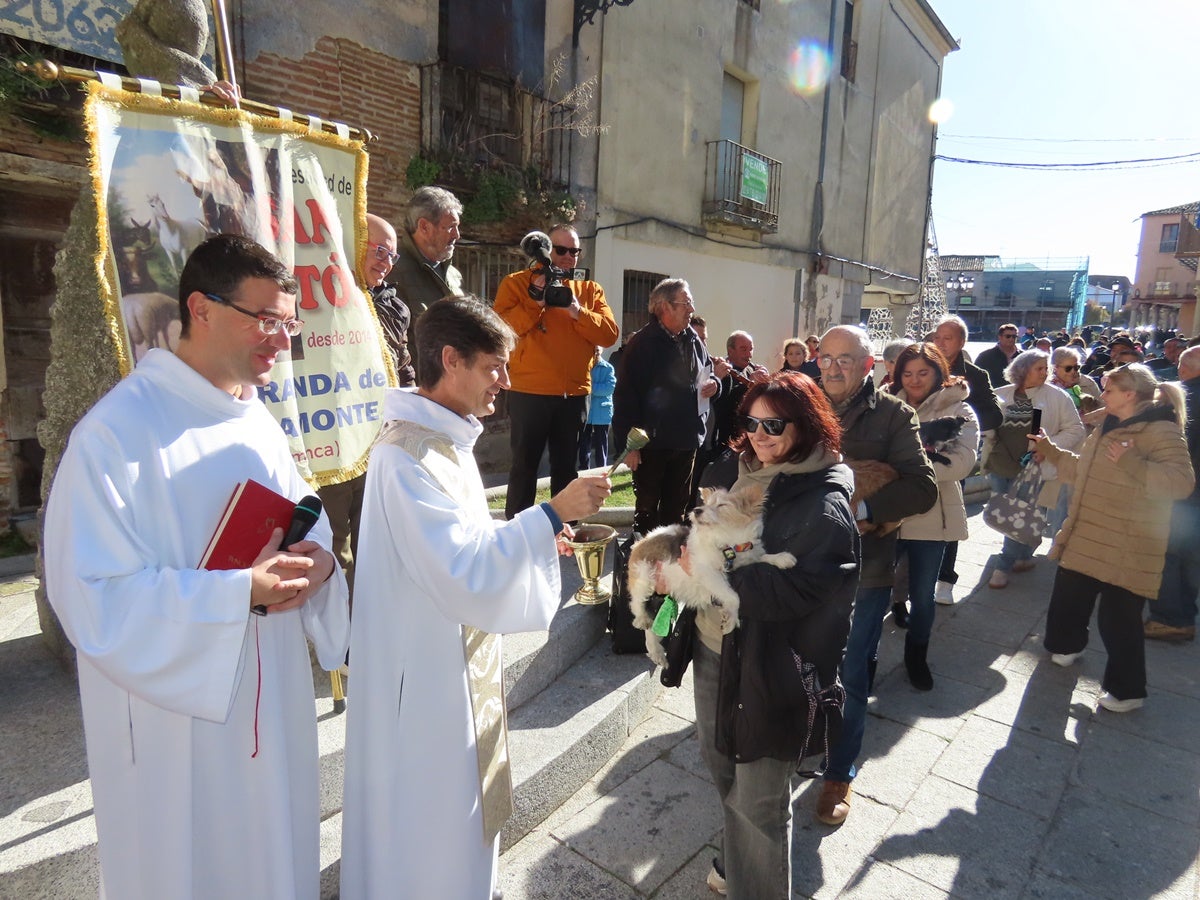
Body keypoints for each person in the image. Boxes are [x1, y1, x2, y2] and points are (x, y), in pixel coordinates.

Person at [43, 235, 350, 899]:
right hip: (176, 733)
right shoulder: (117, 434)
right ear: (201, 310)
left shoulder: (255, 416)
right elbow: (91, 595)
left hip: (271, 716)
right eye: (265, 321)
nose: (281, 341)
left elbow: (304, 512)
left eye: (289, 324)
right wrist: (237, 593)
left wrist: (319, 562)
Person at [340, 296, 611, 899]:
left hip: (452, 660)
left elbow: (464, 538)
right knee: (432, 822)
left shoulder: (444, 442)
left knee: (459, 815)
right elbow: (459, 569)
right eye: (494, 367)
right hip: (425, 678)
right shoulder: (406, 456)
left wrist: (537, 538)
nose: (506, 383)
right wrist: (549, 513)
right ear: (450, 360)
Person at [690, 372, 858, 899]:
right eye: (752, 421)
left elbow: (809, 587)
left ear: (806, 427)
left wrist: (721, 580)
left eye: (775, 423)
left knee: (759, 801)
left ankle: (752, 879)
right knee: (722, 773)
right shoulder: (733, 468)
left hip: (772, 663)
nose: (760, 433)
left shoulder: (822, 501)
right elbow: (700, 529)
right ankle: (734, 861)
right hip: (714, 646)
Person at [812, 326, 937, 827]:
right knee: (804, 658)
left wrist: (861, 505)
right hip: (803, 562)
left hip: (865, 567)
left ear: (869, 365)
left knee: (850, 669)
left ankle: (838, 773)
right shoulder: (802, 405)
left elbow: (922, 487)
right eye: (825, 357)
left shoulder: (893, 415)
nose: (833, 367)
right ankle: (807, 735)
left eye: (846, 358)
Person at [1035, 364, 1194, 712]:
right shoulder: (1109, 424)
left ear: (1129, 395)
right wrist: (1052, 451)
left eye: (1108, 390)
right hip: (1087, 533)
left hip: (1129, 543)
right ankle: (1067, 647)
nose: (1101, 394)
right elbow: (1086, 468)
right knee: (1067, 599)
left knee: (1118, 620)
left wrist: (1132, 461)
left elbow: (1181, 483)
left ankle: (1128, 692)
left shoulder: (1161, 430)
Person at [494, 224, 619, 517]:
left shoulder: (589, 290)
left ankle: (565, 530)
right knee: (524, 467)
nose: (567, 257)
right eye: (560, 250)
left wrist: (577, 311)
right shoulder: (516, 283)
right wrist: (535, 300)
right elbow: (501, 329)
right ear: (547, 251)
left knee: (567, 470)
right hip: (529, 392)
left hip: (573, 394)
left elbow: (609, 334)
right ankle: (516, 531)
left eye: (574, 251)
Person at [317, 212, 409, 601]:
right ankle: (334, 650)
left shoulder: (391, 305)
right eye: (379, 251)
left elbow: (402, 364)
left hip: (378, 441)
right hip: (333, 442)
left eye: (392, 256)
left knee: (374, 542)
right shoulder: (317, 302)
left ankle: (363, 639)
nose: (386, 262)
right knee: (336, 548)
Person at [886, 344, 979, 688]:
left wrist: (902, 468)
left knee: (923, 595)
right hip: (887, 513)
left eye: (923, 372)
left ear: (939, 372)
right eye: (907, 373)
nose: (914, 380)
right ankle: (866, 659)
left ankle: (916, 657)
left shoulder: (959, 408)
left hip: (931, 513)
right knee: (874, 590)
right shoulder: (886, 403)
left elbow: (962, 461)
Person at [612, 278, 721, 535]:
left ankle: (671, 564)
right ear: (664, 307)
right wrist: (629, 446)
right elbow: (626, 397)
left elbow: (708, 374)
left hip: (686, 440)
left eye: (690, 304)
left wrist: (715, 384)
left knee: (677, 509)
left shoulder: (693, 339)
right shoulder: (642, 344)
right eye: (686, 304)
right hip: (651, 444)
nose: (691, 310)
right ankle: (645, 560)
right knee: (648, 509)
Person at [983, 349, 1084, 588]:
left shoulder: (1057, 397)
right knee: (1008, 516)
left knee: (1019, 518)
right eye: (1039, 368)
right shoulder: (1001, 394)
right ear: (1022, 370)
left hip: (1033, 469)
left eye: (1046, 367)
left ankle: (1003, 566)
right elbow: (986, 426)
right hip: (1000, 466)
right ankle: (1025, 556)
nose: (1045, 372)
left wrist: (1048, 447)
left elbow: (1075, 429)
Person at [930, 316, 1003, 605]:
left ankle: (945, 578)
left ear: (961, 342)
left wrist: (960, 423)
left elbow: (995, 414)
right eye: (937, 337)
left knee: (950, 514)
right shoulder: (921, 366)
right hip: (919, 452)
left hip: (953, 455)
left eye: (947, 338)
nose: (940, 343)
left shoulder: (975, 374)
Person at [1145, 346, 1200, 641]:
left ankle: (1169, 618)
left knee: (1166, 556)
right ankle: (1185, 615)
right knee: (1192, 558)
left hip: (1178, 494)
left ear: (1183, 368)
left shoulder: (1177, 400)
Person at [388, 186, 465, 374]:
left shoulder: (452, 273)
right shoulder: (392, 270)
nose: (457, 235)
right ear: (424, 227)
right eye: (450, 227)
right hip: (418, 389)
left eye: (457, 227)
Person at [578, 345, 616, 468]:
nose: (595, 354)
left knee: (601, 443)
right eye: (593, 351)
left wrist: (589, 388)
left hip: (602, 411)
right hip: (586, 410)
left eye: (597, 351)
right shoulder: (583, 367)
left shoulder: (608, 368)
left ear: (601, 351)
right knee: (584, 443)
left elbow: (609, 388)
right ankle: (584, 469)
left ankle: (601, 468)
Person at [975, 322, 1021, 388]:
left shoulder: (1023, 356)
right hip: (994, 393)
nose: (1011, 339)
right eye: (1008, 336)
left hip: (1018, 394)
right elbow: (976, 377)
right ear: (1000, 337)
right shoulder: (985, 356)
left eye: (1014, 336)